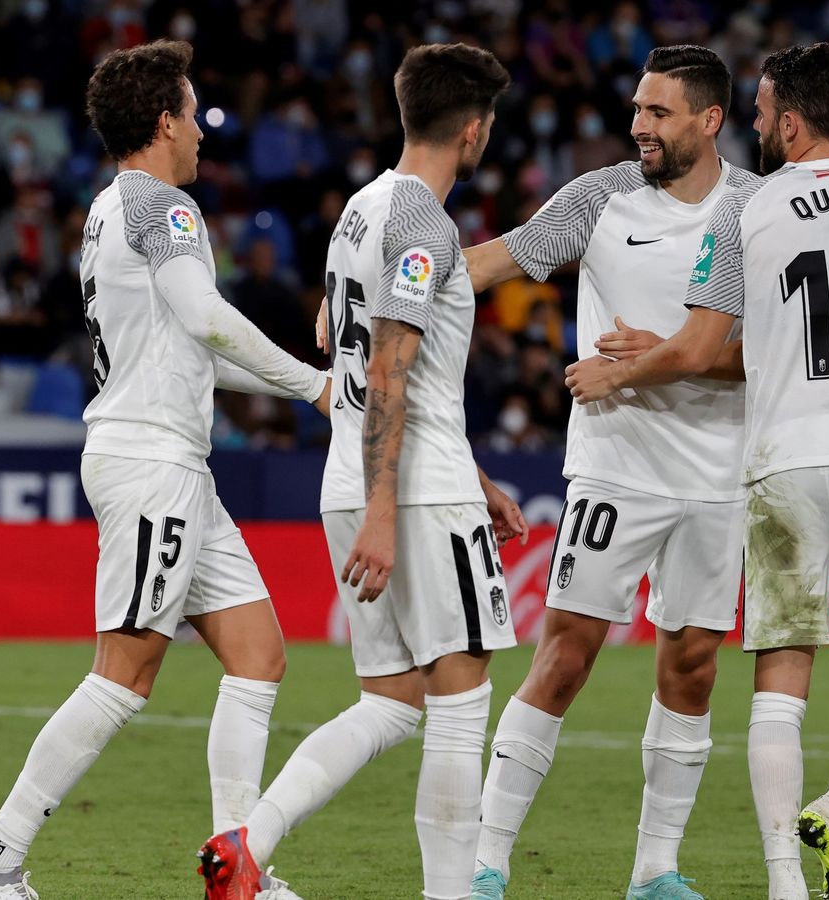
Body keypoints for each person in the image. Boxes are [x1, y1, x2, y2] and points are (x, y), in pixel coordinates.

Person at [564, 42, 829, 900]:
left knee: (781, 673)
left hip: (778, 461)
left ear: (787, 118)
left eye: (762, 110)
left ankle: (784, 884)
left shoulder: (748, 211)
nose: (754, 125)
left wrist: (642, 360)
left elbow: (705, 348)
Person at [0, 39, 332, 900]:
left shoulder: (108, 208)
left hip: (172, 463)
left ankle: (237, 870)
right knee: (124, 672)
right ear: (164, 121)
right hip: (153, 462)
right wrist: (314, 386)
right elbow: (209, 318)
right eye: (194, 114)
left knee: (259, 656)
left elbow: (193, 346)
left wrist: (306, 388)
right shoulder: (167, 208)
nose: (202, 132)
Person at [202, 43, 523, 900]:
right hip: (406, 493)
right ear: (474, 130)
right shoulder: (423, 221)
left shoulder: (361, 210)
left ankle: (247, 843)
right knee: (459, 707)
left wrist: (469, 481)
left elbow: (347, 341)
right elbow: (388, 367)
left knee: (389, 703)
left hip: (355, 479)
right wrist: (393, 509)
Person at [460, 45, 758, 900]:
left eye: (659, 113)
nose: (639, 127)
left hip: (716, 473)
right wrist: (387, 279)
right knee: (565, 656)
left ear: (709, 120)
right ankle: (483, 863)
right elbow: (494, 260)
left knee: (693, 664)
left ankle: (655, 870)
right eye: (637, 109)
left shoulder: (755, 210)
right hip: (615, 464)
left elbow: (771, 354)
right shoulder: (599, 197)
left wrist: (664, 361)